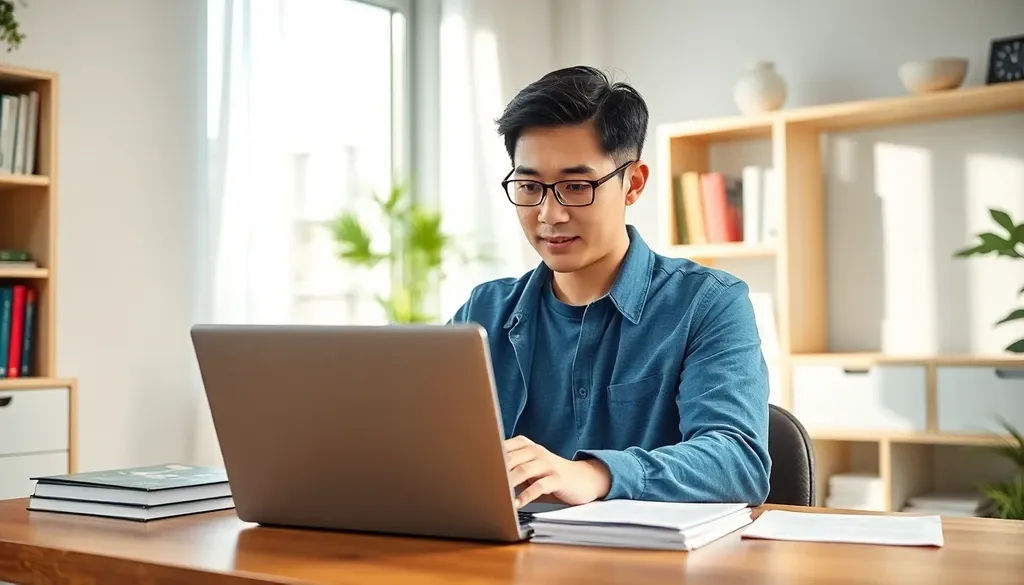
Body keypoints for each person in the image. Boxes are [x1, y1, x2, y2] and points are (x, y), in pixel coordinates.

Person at [450, 66, 770, 509]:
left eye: (576, 186)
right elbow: (423, 441)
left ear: (633, 183)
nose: (549, 214)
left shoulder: (709, 304)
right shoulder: (483, 311)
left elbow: (738, 461)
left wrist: (595, 473)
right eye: (529, 186)